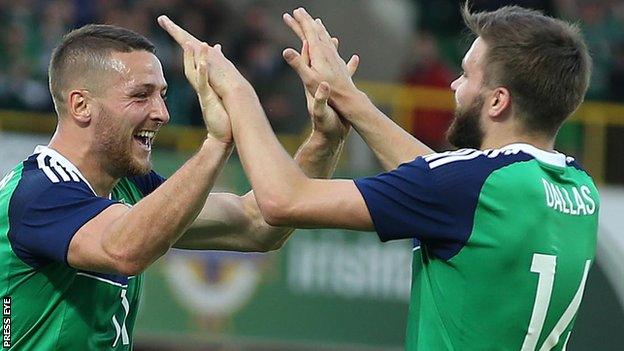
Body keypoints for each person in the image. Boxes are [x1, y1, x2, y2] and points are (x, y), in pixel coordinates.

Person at [188, 4, 599, 351]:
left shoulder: (467, 187)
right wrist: (348, 98)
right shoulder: (578, 187)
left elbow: (281, 200)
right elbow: (443, 182)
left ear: (496, 101)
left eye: (466, 75)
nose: (455, 85)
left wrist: (238, 93)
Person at [0, 20, 354, 349]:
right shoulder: (38, 192)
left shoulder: (129, 186)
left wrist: (325, 140)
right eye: (141, 96)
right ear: (81, 105)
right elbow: (124, 250)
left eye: (162, 94)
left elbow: (258, 226)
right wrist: (217, 143)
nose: (162, 113)